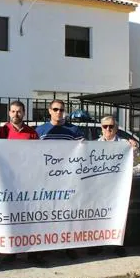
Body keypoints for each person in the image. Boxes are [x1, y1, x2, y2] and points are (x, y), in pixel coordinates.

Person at [0, 101, 46, 266]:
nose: (16, 114)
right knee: (11, 217)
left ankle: (33, 253)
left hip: (27, 181)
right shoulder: (1, 131)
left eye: (19, 112)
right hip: (8, 181)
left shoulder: (32, 133)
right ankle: (12, 252)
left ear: (24, 113)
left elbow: (37, 155)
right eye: (13, 111)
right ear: (9, 113)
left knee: (29, 217)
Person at [35, 99, 84, 260]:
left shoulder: (74, 130)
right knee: (46, 214)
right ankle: (44, 248)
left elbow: (83, 152)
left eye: (61, 110)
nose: (58, 112)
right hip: (45, 181)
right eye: (55, 109)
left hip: (67, 180)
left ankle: (69, 246)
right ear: (49, 111)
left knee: (67, 214)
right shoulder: (40, 131)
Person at [88, 115, 139, 258]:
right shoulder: (95, 145)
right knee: (98, 217)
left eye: (111, 126)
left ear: (116, 128)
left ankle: (118, 245)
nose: (108, 129)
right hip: (100, 189)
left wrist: (134, 149)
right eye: (105, 126)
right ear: (101, 128)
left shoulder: (124, 144)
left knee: (119, 216)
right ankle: (97, 245)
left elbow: (134, 163)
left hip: (118, 189)